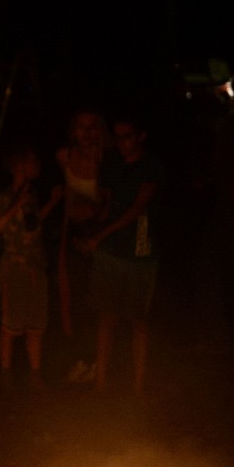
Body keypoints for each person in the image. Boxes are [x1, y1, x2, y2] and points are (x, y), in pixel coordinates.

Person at [79, 111, 163, 396]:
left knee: (137, 319)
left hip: (139, 252)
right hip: (110, 251)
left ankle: (138, 386)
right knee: (107, 317)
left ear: (140, 136)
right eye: (118, 137)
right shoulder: (113, 162)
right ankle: (100, 383)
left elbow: (136, 209)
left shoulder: (149, 165)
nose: (122, 142)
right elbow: (106, 200)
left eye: (128, 136)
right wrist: (93, 219)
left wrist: (99, 235)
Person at [0, 142, 60, 392]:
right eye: (32, 161)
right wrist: (16, 204)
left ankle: (35, 374)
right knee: (11, 323)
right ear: (20, 166)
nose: (37, 165)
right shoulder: (7, 196)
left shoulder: (31, 195)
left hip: (35, 267)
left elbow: (32, 226)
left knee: (36, 324)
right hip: (15, 267)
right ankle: (6, 374)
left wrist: (50, 203)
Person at [52, 106, 110, 384]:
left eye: (92, 127)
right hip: (73, 236)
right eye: (81, 127)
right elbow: (67, 204)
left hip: (100, 236)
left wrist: (96, 213)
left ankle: (97, 363)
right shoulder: (64, 157)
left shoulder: (107, 160)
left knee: (96, 302)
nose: (86, 134)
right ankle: (80, 359)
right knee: (71, 301)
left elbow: (109, 202)